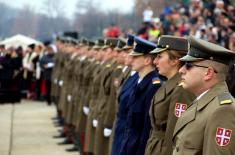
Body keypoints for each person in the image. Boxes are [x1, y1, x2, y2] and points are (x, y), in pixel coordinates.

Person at [172, 36, 235, 155]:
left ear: (208, 73)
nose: (181, 70)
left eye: (188, 65)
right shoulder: (203, 101)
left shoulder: (223, 110)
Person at [144, 35, 195, 155]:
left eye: (160, 57)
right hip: (155, 147)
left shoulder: (181, 89)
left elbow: (174, 135)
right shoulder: (169, 84)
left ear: (174, 60)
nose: (155, 61)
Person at [119, 37, 163, 155]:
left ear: (147, 60)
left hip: (138, 148)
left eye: (135, 57)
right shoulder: (140, 81)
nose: (131, 59)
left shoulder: (153, 86)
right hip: (129, 144)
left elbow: (146, 128)